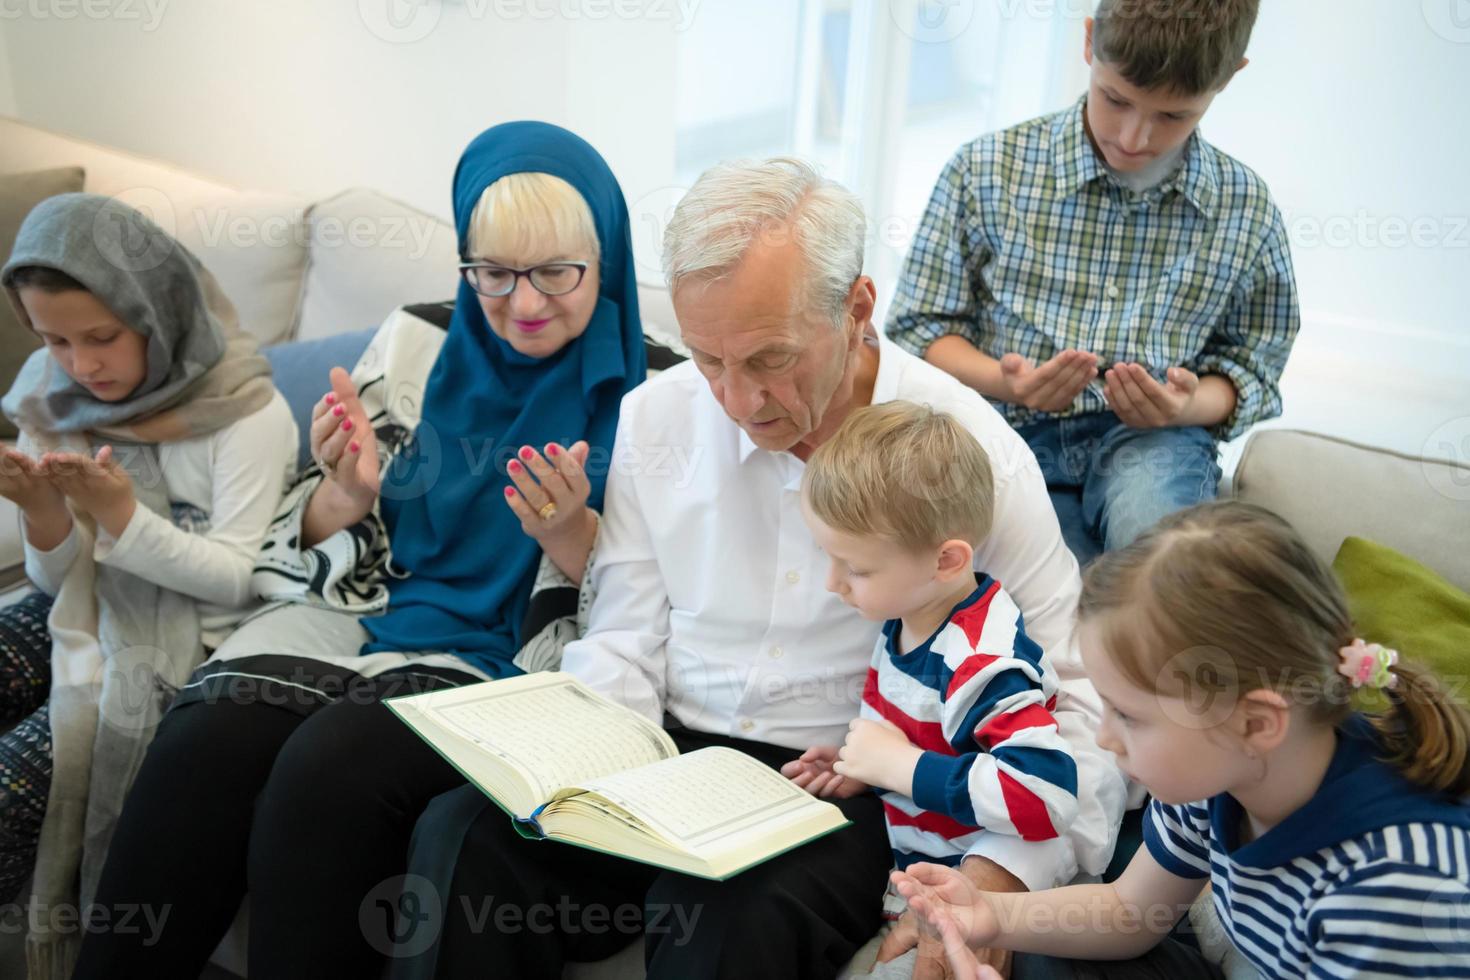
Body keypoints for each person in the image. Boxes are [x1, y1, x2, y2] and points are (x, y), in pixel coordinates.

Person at [396, 157, 1125, 980]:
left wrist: (996, 884)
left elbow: (1078, 704)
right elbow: (624, 633)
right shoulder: (657, 416)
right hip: (662, 755)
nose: (738, 401)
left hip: (844, 790)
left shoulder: (970, 453)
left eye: (770, 358)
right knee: (464, 837)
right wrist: (577, 774)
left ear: (856, 310)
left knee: (725, 912)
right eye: (709, 360)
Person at [70, 122, 647, 979]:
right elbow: (310, 539)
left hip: (513, 660)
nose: (524, 304)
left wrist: (570, 536)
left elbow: (651, 609)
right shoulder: (416, 336)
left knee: (327, 771)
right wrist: (343, 492)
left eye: (557, 274)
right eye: (492, 273)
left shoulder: (653, 392)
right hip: (368, 611)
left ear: (605, 262)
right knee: (203, 739)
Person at [893, 501, 1470, 980]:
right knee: (1044, 956)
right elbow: (1130, 911)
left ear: (1256, 723)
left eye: (1129, 716)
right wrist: (989, 914)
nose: (1102, 737)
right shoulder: (1219, 773)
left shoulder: (1392, 890)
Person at [887, 0, 1299, 566]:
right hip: (1005, 431)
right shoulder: (986, 170)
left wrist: (1181, 408)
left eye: (1173, 116)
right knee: (1037, 584)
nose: (1134, 137)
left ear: (1229, 78)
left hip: (1155, 444)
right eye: (1116, 100)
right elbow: (919, 330)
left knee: (1155, 570)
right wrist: (1007, 383)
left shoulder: (1245, 210)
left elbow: (1252, 366)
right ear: (1088, 43)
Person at [0, 193, 296, 972]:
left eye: (102, 337)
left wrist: (125, 519)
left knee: (13, 789)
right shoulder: (47, 390)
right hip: (77, 607)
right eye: (55, 339)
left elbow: (237, 580)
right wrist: (44, 516)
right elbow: (58, 577)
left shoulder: (247, 410)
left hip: (184, 639)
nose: (81, 365)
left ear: (157, 312)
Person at [787, 400, 1080, 980]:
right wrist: (863, 769)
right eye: (829, 556)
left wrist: (901, 766)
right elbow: (911, 737)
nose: (833, 583)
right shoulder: (909, 610)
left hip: (976, 904)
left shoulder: (981, 659)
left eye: (857, 568)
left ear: (946, 560)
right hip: (915, 881)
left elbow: (1047, 797)